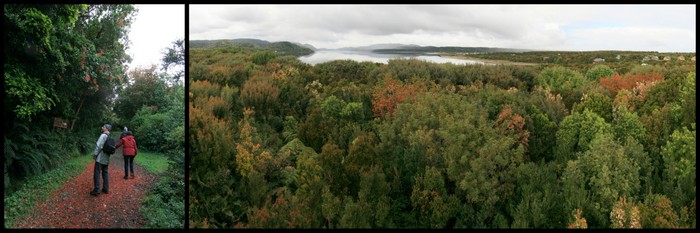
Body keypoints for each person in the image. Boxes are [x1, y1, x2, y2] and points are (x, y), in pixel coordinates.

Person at [91, 124, 112, 196]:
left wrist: (95, 154)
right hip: (107, 158)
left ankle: (97, 189)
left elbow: (98, 146)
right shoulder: (110, 136)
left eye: (103, 127)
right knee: (105, 173)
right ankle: (106, 189)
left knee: (97, 173)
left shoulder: (103, 135)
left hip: (100, 158)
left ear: (106, 128)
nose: (102, 127)